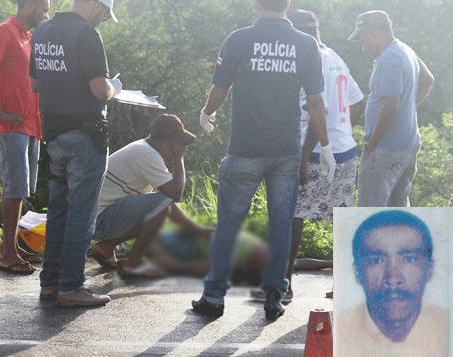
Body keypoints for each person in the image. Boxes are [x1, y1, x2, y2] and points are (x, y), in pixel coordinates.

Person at [192, 0, 335, 320]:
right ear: (287, 5)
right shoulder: (305, 43)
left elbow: (219, 89)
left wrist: (206, 112)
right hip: (286, 149)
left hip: (245, 147)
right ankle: (274, 293)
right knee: (281, 224)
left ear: (257, 5)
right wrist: (325, 146)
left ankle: (214, 296)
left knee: (229, 223)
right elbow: (316, 101)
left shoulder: (238, 39)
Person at [29, 0, 120, 307]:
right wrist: (114, 89)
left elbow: (35, 84)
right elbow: (99, 90)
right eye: (106, 12)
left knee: (57, 212)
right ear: (95, 5)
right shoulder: (86, 34)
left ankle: (51, 283)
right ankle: (72, 287)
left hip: (53, 136)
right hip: (85, 137)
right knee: (81, 213)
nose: (105, 19)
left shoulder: (41, 30)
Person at [279, 9, 366, 302]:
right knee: (341, 220)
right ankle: (343, 286)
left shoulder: (307, 60)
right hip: (344, 151)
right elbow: (357, 100)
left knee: (293, 215)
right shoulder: (333, 56)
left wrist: (303, 156)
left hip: (316, 153)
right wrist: (342, 129)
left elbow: (319, 111)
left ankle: (284, 284)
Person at [0, 0, 50, 275]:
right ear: (29, 6)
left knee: (22, 190)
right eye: (44, 9)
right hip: (12, 125)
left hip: (31, 125)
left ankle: (15, 248)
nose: (47, 15)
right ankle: (8, 254)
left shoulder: (29, 37)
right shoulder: (6, 30)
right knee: (14, 187)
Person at [90, 114, 196, 278]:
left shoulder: (146, 149)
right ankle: (134, 262)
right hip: (98, 221)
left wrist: (196, 229)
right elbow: (175, 194)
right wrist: (179, 158)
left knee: (160, 213)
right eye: (176, 147)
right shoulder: (147, 154)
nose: (175, 152)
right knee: (163, 203)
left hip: (98, 218)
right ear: (163, 142)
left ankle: (107, 246)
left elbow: (165, 205)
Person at [349, 10, 434, 207]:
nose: (363, 47)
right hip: (409, 144)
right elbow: (428, 80)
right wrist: (408, 109)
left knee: (370, 213)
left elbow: (390, 110)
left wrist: (372, 144)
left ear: (374, 32)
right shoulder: (405, 50)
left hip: (385, 149)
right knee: (398, 210)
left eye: (363, 40)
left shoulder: (389, 58)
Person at [335, 210, 448, 356]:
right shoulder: (334, 333)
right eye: (376, 260)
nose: (393, 278)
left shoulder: (447, 327)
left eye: (409, 259)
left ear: (429, 270)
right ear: (357, 272)